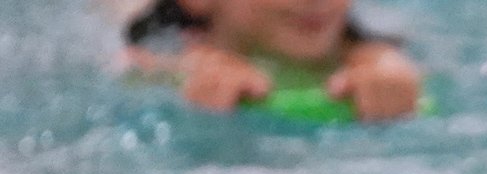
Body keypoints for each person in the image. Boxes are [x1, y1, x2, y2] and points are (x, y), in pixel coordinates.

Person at [124, 0, 422, 121]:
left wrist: (378, 57)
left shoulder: (380, 53)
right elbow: (128, 65)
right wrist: (183, 68)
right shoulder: (160, 54)